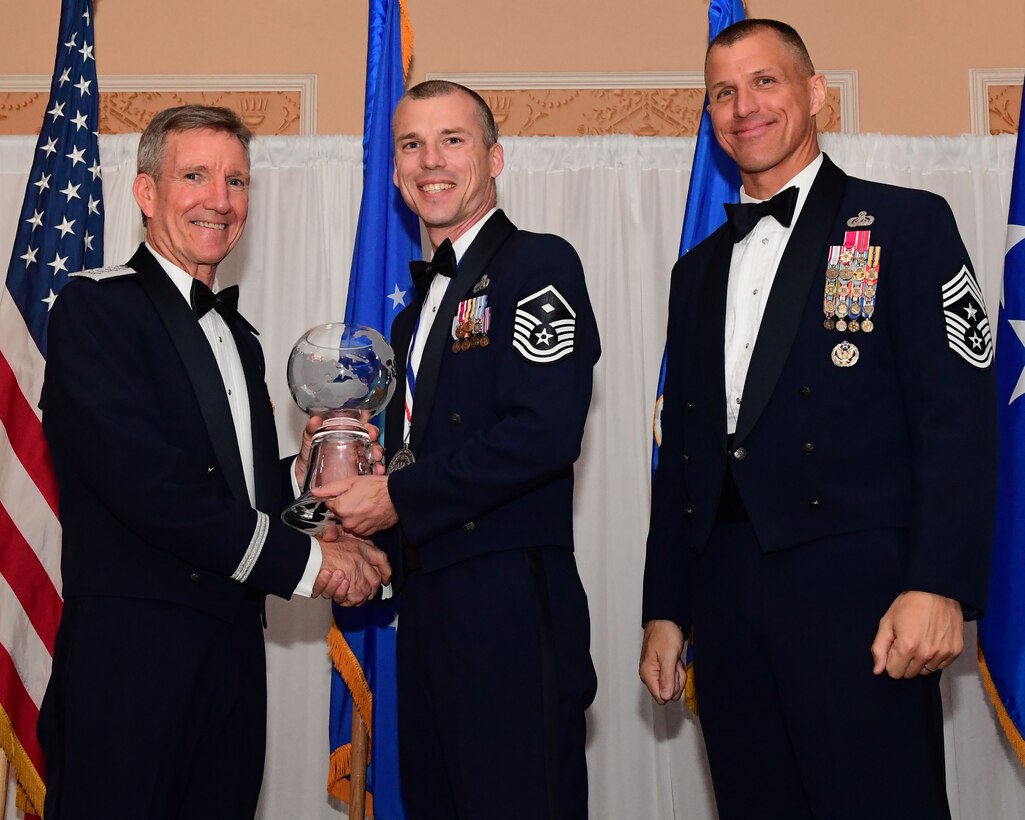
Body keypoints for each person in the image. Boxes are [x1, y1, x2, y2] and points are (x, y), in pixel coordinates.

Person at [639, 19, 996, 820]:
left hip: (861, 597)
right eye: (722, 92)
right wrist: (666, 607)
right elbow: (684, 455)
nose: (743, 107)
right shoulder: (693, 273)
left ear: (815, 94)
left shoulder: (905, 224)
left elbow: (957, 420)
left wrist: (936, 581)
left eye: (764, 82)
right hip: (727, 601)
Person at [38, 104, 390, 820]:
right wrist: (312, 566)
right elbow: (151, 488)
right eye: (194, 175)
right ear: (146, 193)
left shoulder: (241, 336)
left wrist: (315, 472)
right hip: (130, 664)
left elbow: (242, 490)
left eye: (236, 181)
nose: (219, 200)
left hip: (230, 653)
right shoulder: (94, 311)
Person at [316, 81, 600, 819]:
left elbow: (542, 431)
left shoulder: (536, 265)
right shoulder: (413, 317)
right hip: (430, 605)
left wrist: (397, 498)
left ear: (494, 157)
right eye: (411, 144)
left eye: (452, 140)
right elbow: (430, 456)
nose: (429, 160)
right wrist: (362, 503)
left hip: (509, 605)